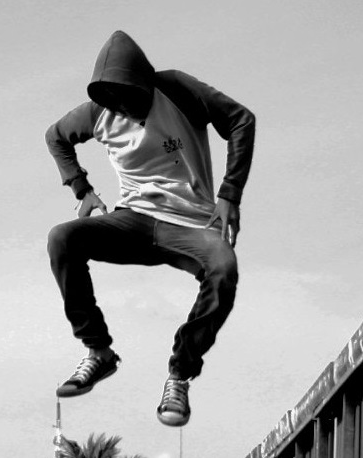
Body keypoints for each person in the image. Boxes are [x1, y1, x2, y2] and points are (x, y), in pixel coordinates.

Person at [46, 30, 256, 427]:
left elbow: (241, 120)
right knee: (62, 238)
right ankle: (98, 352)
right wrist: (81, 188)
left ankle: (180, 374)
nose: (125, 108)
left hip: (190, 223)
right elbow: (55, 137)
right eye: (116, 101)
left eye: (131, 97)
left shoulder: (177, 89)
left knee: (223, 267)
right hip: (134, 220)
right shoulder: (97, 111)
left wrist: (230, 193)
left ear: (145, 83)